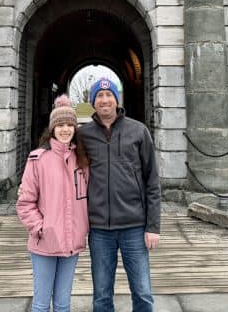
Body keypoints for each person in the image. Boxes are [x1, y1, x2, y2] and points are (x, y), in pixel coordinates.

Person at [79, 77, 161, 312]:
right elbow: (60, 155)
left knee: (143, 294)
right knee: (101, 296)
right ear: (93, 102)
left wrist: (153, 227)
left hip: (134, 226)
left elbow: (152, 181)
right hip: (99, 229)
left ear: (117, 100)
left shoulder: (138, 131)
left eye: (109, 95)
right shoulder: (83, 135)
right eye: (99, 96)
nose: (104, 100)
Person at [17, 95, 89, 312]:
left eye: (70, 125)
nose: (65, 129)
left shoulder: (83, 160)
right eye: (60, 125)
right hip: (45, 242)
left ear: (75, 128)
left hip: (72, 241)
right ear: (52, 129)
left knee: (63, 304)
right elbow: (25, 202)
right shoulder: (37, 159)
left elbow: (89, 197)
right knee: (40, 304)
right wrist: (40, 228)